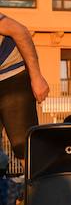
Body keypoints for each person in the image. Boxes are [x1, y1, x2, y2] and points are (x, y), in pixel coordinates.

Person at [0, 12, 50, 161]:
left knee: (25, 147)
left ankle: (36, 184)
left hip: (12, 75)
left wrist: (36, 77)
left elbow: (19, 31)